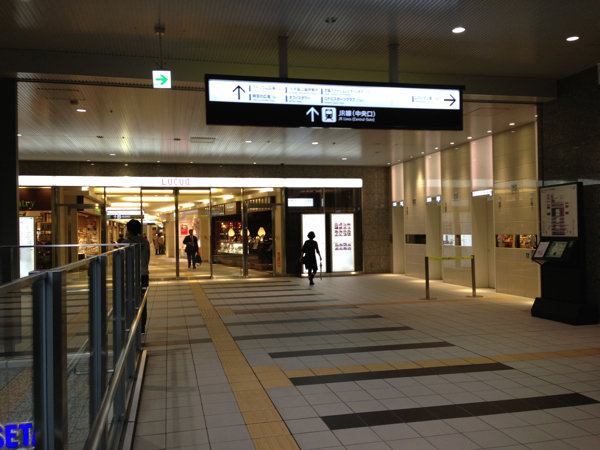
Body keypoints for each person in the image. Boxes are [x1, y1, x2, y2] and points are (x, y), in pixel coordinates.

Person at [123, 219, 150, 335]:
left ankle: (131, 324)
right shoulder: (145, 242)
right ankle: (142, 327)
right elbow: (147, 259)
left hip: (130, 275)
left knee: (129, 299)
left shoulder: (125, 243)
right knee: (143, 301)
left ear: (129, 230)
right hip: (143, 274)